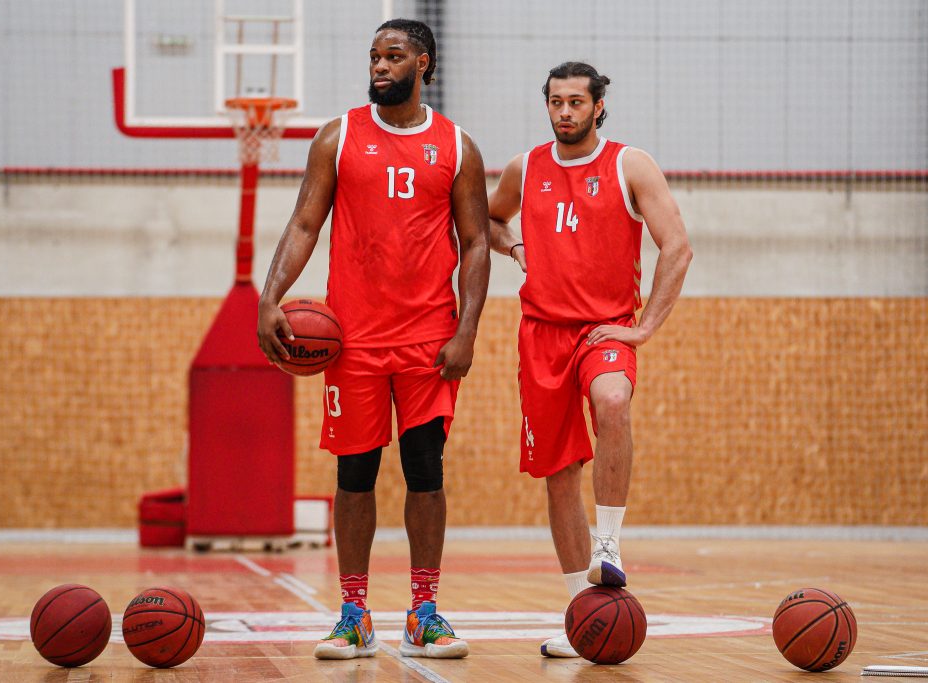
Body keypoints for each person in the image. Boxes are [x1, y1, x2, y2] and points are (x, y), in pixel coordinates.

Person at [257, 19, 490, 661]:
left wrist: (467, 329)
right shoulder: (337, 138)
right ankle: (354, 613)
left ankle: (424, 611)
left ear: (425, 65)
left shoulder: (458, 146)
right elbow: (305, 222)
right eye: (374, 57)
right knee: (355, 474)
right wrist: (269, 296)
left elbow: (475, 244)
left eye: (393, 56)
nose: (380, 66)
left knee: (425, 472)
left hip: (428, 339)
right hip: (352, 340)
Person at [487, 61, 692, 658]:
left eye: (577, 102)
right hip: (540, 333)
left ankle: (609, 544)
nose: (565, 112)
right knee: (558, 477)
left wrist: (646, 327)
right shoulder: (525, 169)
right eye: (556, 102)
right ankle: (581, 616)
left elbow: (676, 247)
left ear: (599, 106)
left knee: (612, 400)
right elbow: (489, 218)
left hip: (603, 330)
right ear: (546, 106)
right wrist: (516, 244)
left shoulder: (630, 164)